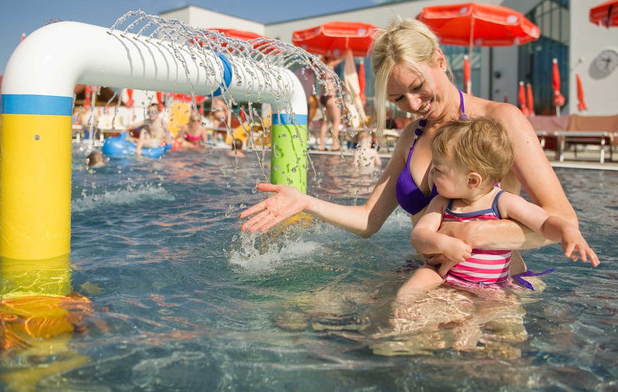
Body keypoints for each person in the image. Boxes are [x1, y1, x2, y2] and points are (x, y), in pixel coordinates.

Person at [240, 17, 579, 278]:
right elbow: (369, 222)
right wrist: (304, 201)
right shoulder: (410, 137)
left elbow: (562, 222)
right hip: (429, 276)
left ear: (440, 60)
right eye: (398, 98)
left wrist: (474, 232)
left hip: (493, 284)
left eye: (417, 87)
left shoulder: (501, 120)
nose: (414, 104)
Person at [396, 117, 599, 305]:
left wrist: (567, 231)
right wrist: (442, 242)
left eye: (438, 170)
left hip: (492, 285)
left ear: (472, 180)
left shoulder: (503, 201)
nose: (431, 173)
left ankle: (473, 329)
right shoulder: (442, 202)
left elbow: (544, 223)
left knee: (501, 314)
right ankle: (403, 310)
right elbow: (419, 236)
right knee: (414, 284)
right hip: (444, 275)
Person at [318, 54, 343, 151]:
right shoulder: (329, 67)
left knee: (325, 122)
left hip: (323, 97)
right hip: (331, 97)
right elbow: (340, 59)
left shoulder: (322, 71)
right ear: (330, 60)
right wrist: (347, 51)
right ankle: (335, 145)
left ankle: (321, 145)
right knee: (337, 121)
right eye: (333, 58)